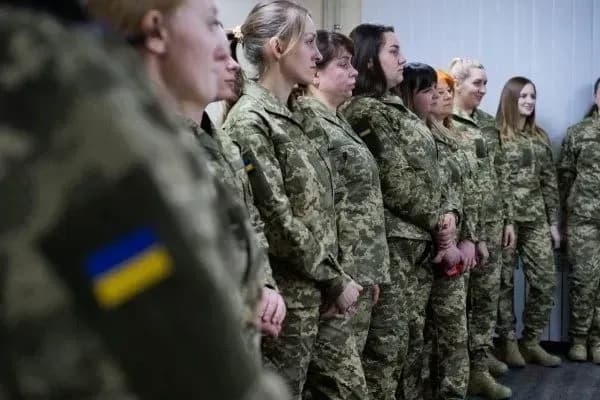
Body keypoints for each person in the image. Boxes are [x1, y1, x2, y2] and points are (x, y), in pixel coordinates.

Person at [0, 1, 289, 398]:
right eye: (210, 23)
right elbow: (138, 281)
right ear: (155, 32)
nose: (225, 50)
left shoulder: (157, 125)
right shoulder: (70, 91)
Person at [222, 2, 362, 397]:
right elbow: (278, 221)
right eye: (310, 42)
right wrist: (334, 279)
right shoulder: (251, 120)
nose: (317, 54)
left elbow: (324, 205)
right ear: (278, 47)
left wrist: (336, 277)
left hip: (321, 289)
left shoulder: (297, 114)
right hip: (289, 299)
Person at [342, 24, 459, 400]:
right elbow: (395, 181)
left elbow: (433, 172)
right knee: (386, 353)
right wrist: (438, 221)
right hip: (393, 246)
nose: (403, 59)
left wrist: (446, 216)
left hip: (416, 245)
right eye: (393, 51)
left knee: (411, 346)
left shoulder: (395, 108)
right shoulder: (365, 111)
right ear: (369, 60)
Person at [294, 30, 390, 399]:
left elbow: (359, 200)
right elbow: (316, 208)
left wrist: (370, 270)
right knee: (342, 385)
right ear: (315, 73)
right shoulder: (309, 122)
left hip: (358, 270)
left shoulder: (338, 119)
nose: (355, 73)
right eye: (343, 65)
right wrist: (336, 278)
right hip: (338, 275)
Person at [449, 58, 513, 400]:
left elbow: (501, 174)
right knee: (459, 304)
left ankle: (479, 365)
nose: (484, 90)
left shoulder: (487, 123)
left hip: (491, 224)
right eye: (477, 83)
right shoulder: (443, 119)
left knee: (488, 299)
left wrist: (508, 219)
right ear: (457, 84)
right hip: (462, 231)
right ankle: (461, 370)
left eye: (486, 83)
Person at [494, 76, 561, 368]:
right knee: (504, 285)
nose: (529, 101)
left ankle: (531, 341)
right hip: (505, 222)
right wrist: (503, 219)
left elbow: (549, 182)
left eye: (532, 96)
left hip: (535, 219)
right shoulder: (495, 134)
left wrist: (553, 223)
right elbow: (493, 182)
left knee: (545, 281)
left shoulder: (540, 137)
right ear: (510, 98)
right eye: (523, 96)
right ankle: (507, 343)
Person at [425, 67, 479, 400]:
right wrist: (450, 240)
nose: (445, 96)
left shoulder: (455, 136)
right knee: (435, 333)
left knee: (454, 330)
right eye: (437, 90)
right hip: (435, 244)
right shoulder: (422, 136)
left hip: (457, 243)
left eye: (448, 91)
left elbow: (469, 193)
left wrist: (471, 237)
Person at [558, 77, 600, 364]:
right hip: (584, 218)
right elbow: (565, 176)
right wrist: (562, 218)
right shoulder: (578, 133)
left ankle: (597, 340)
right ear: (596, 97)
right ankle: (579, 339)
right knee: (584, 280)